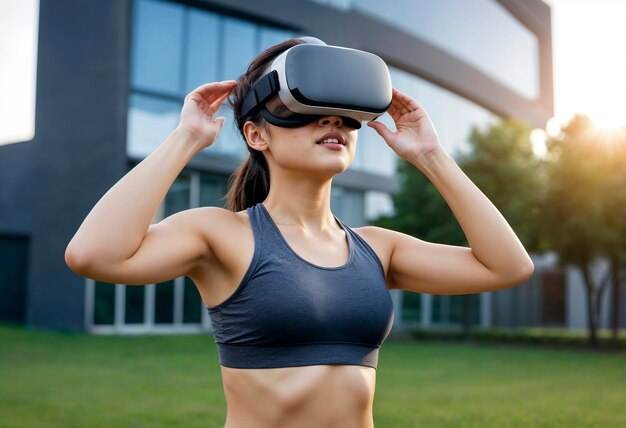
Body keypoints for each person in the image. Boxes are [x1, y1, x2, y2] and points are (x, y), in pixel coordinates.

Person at [65, 38, 534, 428]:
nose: (332, 121)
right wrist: (186, 137)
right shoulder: (220, 234)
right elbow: (93, 255)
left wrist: (430, 155)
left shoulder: (378, 247)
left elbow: (508, 265)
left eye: (343, 113)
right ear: (257, 134)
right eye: (306, 109)